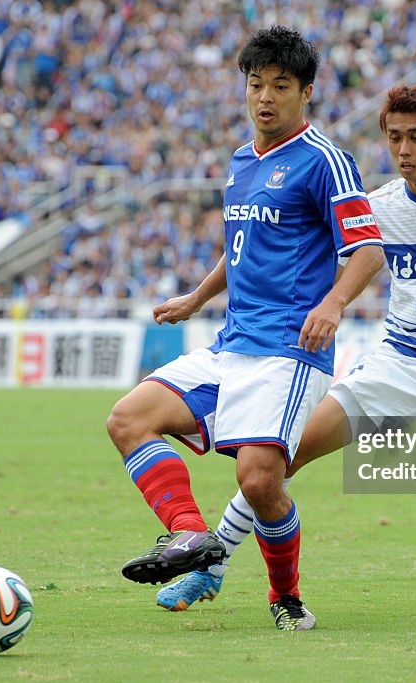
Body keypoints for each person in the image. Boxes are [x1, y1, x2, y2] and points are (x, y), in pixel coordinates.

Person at [156, 84, 416, 618]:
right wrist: (209, 297)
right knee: (281, 457)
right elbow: (314, 251)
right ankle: (211, 569)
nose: (404, 150)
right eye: (394, 138)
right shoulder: (378, 206)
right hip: (397, 364)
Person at [106, 26, 385, 632]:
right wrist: (196, 297)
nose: (264, 97)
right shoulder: (239, 162)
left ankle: (285, 599)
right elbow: (241, 249)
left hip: (289, 349)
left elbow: (367, 251)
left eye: (280, 86)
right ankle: (190, 537)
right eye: (256, 84)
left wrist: (334, 304)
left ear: (305, 93)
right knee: (128, 418)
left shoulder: (325, 161)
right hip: (230, 344)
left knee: (259, 481)